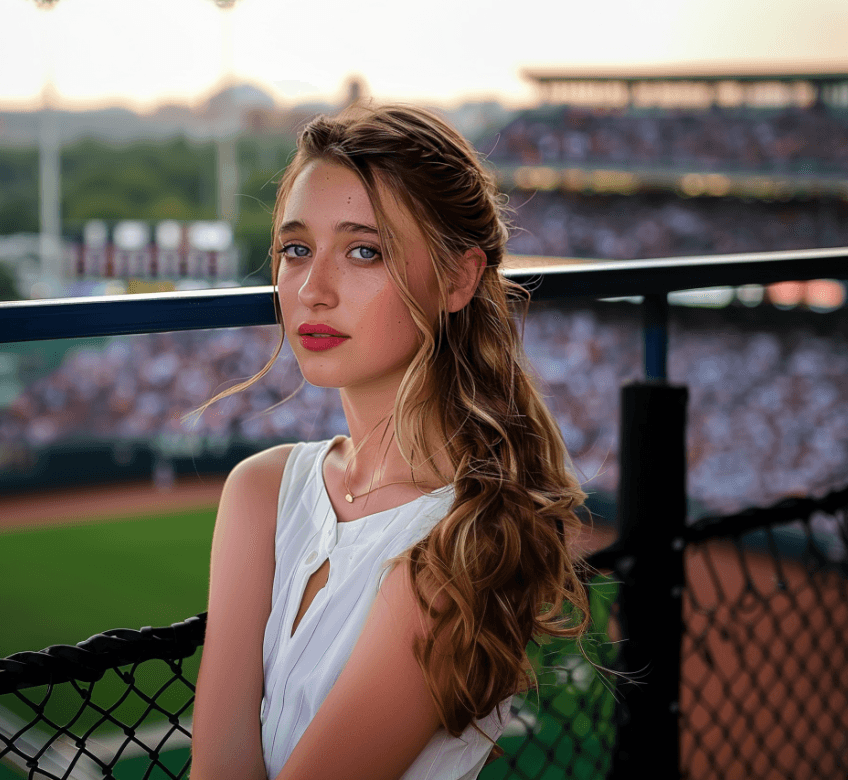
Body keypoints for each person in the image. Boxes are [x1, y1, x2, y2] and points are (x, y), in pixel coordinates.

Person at [190, 103, 591, 780]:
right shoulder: (261, 489)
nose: (312, 290)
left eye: (364, 251)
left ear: (460, 279)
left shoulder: (459, 545)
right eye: (295, 249)